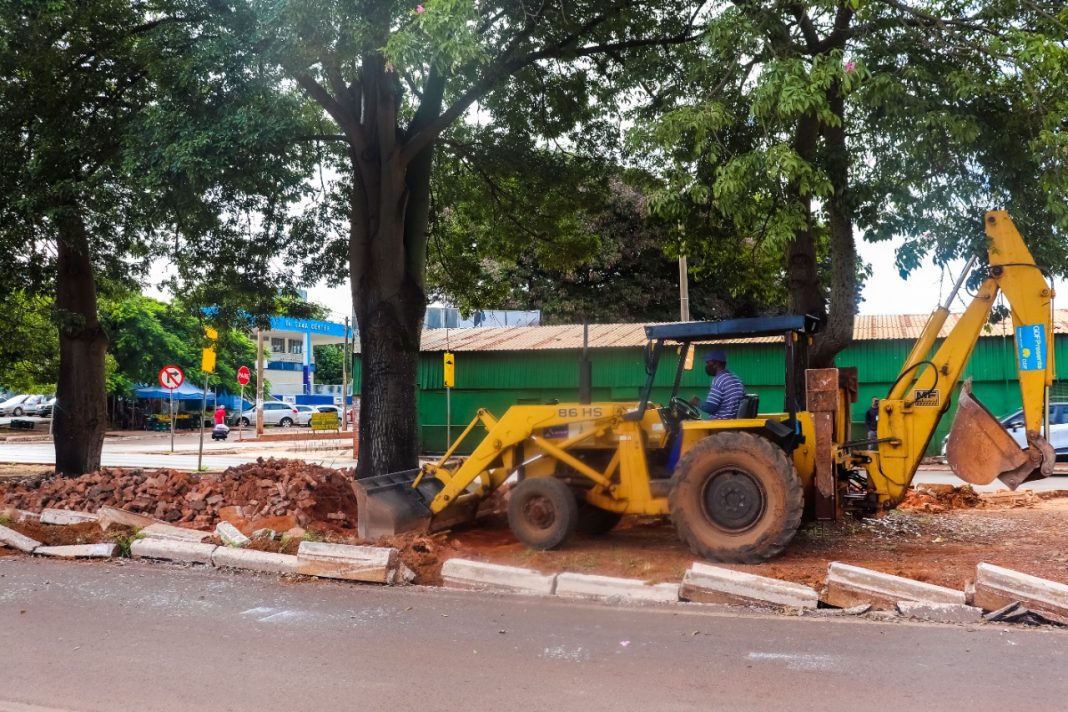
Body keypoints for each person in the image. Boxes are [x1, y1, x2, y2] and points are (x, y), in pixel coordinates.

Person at [699, 349, 745, 419]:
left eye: (708, 363)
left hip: (720, 424)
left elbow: (711, 408)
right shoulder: (735, 378)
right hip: (733, 421)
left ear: (716, 364)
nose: (707, 366)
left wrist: (697, 402)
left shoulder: (719, 380)